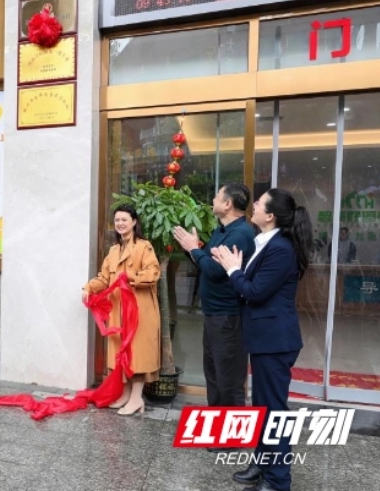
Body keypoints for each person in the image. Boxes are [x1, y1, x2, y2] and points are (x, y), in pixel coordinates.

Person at [212, 188, 313, 491]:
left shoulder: (281, 248)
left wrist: (233, 269)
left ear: (269, 215)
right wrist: (234, 268)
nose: (253, 204)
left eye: (259, 202)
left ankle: (278, 481)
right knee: (264, 408)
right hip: (265, 339)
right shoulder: (266, 241)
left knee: (273, 413)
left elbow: (255, 292)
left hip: (275, 341)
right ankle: (262, 464)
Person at [173, 183, 256, 424]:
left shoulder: (240, 234)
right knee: (214, 374)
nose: (213, 200)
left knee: (228, 379)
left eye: (217, 196)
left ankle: (232, 434)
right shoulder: (222, 231)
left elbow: (214, 270)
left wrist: (193, 249)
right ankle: (216, 426)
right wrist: (194, 249)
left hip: (228, 317)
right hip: (213, 314)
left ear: (228, 204)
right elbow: (207, 262)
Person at [82, 204, 161, 416]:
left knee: (137, 353)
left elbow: (153, 273)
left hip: (140, 309)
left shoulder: (144, 247)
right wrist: (89, 288)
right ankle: (125, 395)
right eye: (117, 220)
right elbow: (104, 278)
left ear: (134, 222)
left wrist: (130, 278)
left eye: (124, 219)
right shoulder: (114, 250)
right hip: (118, 310)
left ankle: (136, 399)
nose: (120, 223)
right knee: (121, 353)